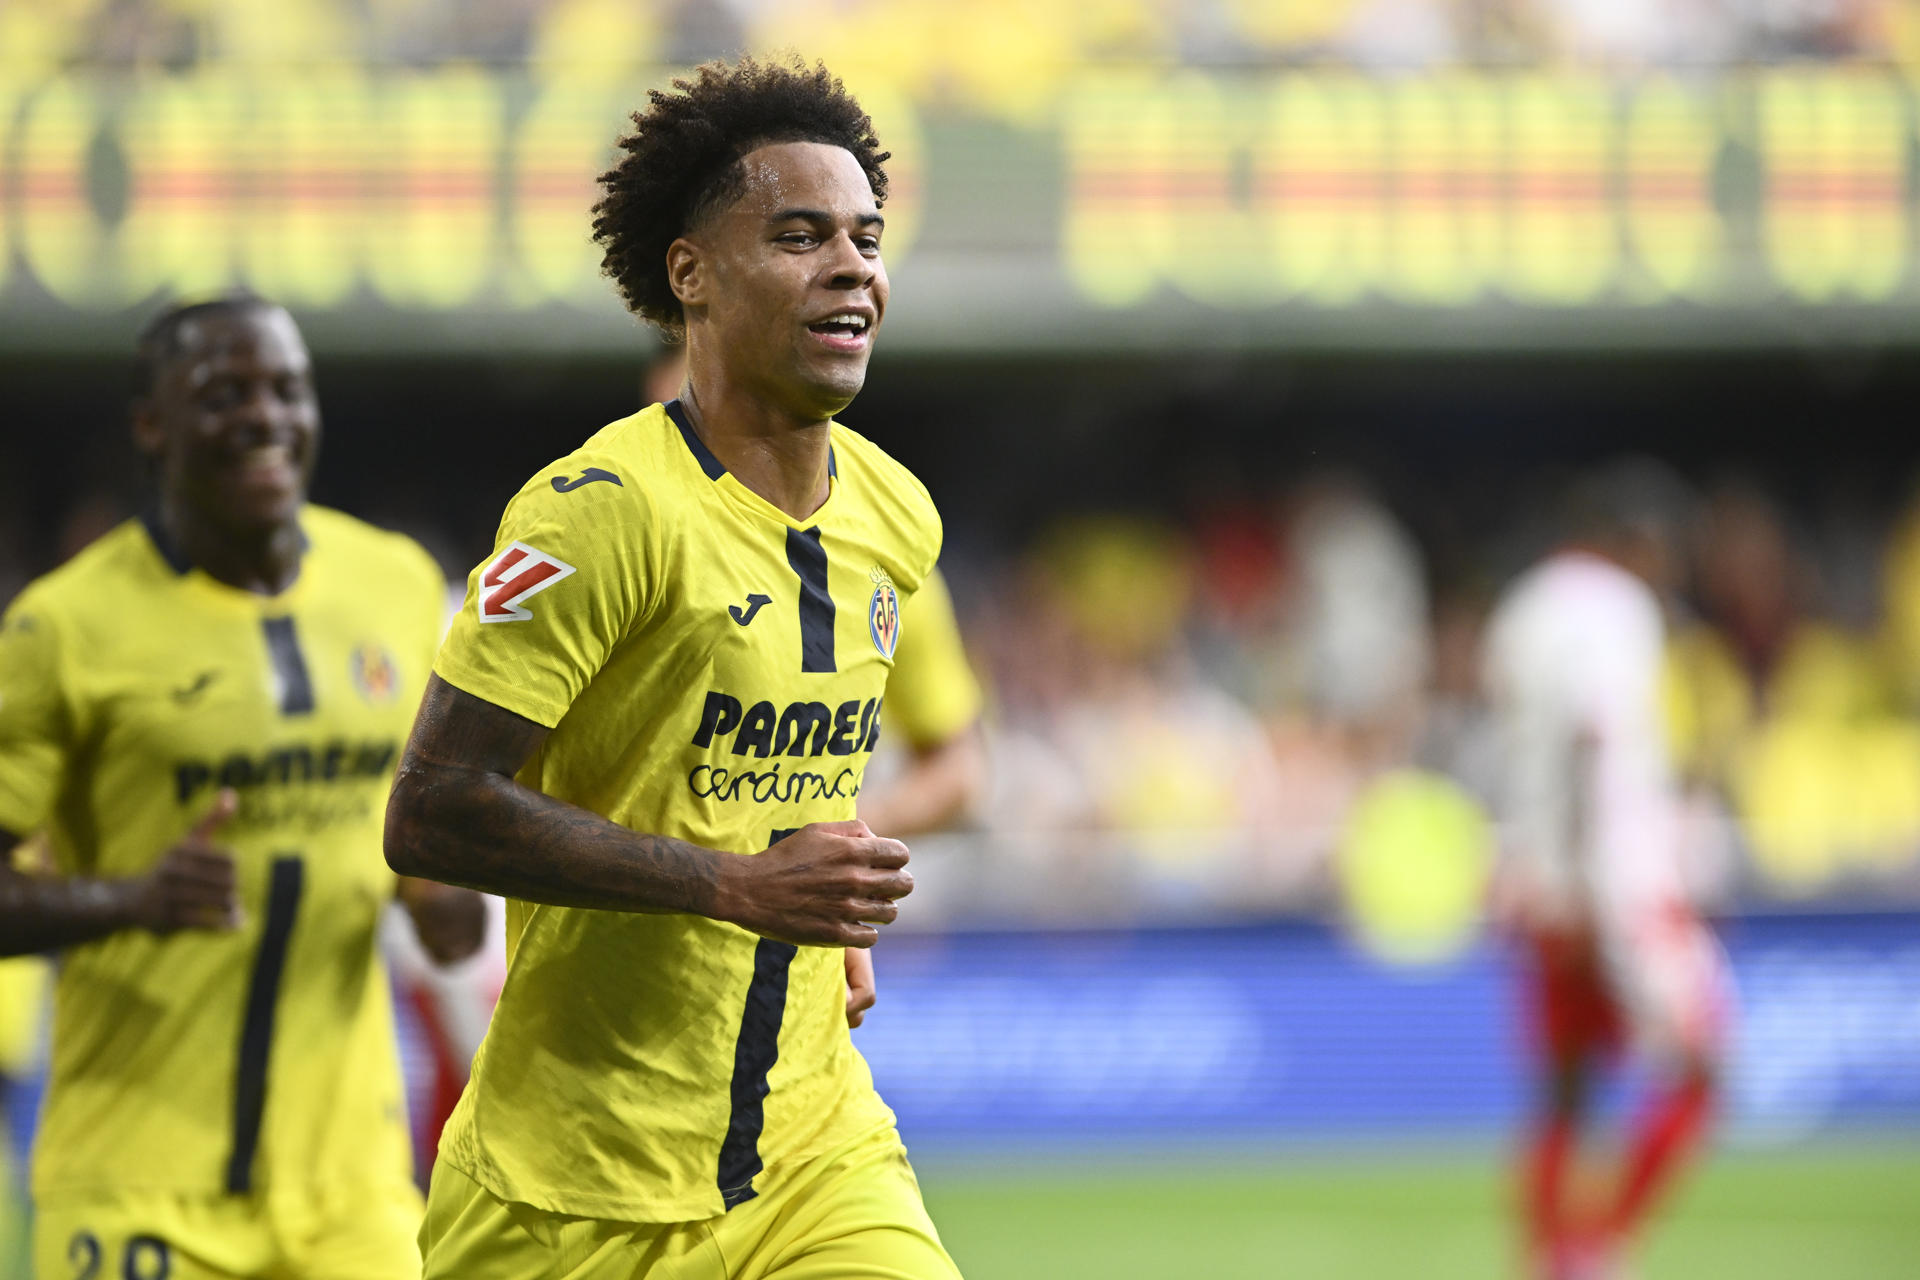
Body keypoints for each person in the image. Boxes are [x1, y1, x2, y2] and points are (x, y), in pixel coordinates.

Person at [386, 58, 965, 1278]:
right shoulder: (595, 513)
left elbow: (784, 756)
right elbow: (432, 810)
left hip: (813, 1147)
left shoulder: (896, 516)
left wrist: (822, 886)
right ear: (689, 274)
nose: (852, 265)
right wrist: (738, 886)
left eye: (865, 236)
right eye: (799, 236)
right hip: (570, 1187)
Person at [0, 295, 487, 1278]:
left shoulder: (393, 584)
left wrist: (447, 902)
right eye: (224, 394)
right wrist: (129, 898)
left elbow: (434, 842)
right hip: (140, 1179)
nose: (264, 415)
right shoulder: (66, 629)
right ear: (152, 425)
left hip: (352, 1184)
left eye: (287, 390)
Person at [1481, 460, 1731, 1280]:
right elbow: (1594, 737)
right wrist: (1595, 880)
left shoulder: (1522, 607)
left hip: (1542, 878)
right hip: (1615, 882)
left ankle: (1547, 1257)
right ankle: (1601, 1248)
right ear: (1636, 544)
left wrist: (1544, 869)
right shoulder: (1614, 609)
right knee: (1700, 1067)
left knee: (1564, 1087)